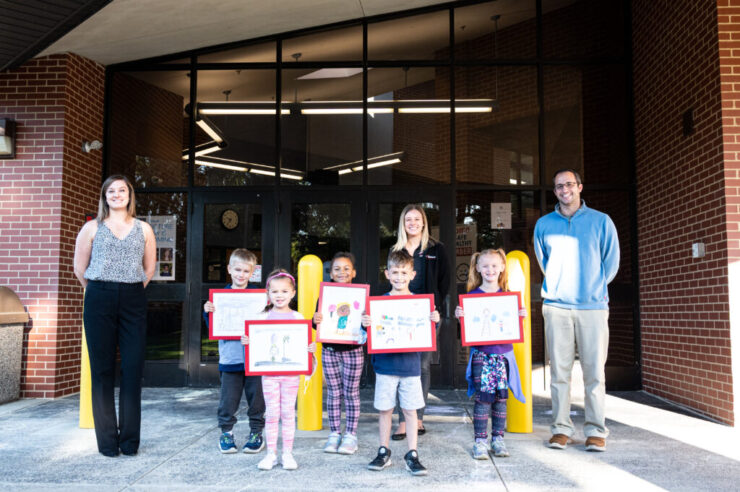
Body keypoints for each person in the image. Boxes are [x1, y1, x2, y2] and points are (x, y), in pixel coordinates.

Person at [533, 169, 620, 452]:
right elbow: (544, 262)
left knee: (595, 373)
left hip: (592, 307)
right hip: (557, 307)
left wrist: (592, 287)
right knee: (559, 373)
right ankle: (561, 429)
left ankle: (595, 431)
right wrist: (560, 286)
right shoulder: (544, 224)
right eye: (559, 186)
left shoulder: (601, 221)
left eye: (569, 184)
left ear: (580, 187)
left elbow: (611, 262)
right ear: (555, 191)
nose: (564, 190)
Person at [73, 175, 157, 457]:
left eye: (122, 190)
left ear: (130, 195)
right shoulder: (92, 228)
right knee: (102, 370)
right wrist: (101, 290)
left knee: (133, 369)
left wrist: (128, 289)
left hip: (133, 297)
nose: (117, 194)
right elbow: (79, 269)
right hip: (99, 297)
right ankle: (108, 442)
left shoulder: (144, 228)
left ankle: (130, 441)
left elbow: (149, 269)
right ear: (104, 196)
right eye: (111, 191)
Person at [362, 250, 440, 476]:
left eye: (404, 272)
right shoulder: (379, 304)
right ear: (387, 274)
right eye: (395, 272)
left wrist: (433, 321)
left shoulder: (419, 305)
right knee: (385, 410)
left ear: (413, 274)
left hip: (410, 368)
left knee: (411, 412)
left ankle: (412, 454)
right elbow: (369, 334)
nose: (399, 276)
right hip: (385, 367)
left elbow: (427, 333)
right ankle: (384, 451)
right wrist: (366, 323)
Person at [454, 249, 526, 459]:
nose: (490, 270)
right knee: (483, 399)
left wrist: (519, 315)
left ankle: (498, 439)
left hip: (503, 355)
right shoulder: (471, 297)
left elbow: (512, 327)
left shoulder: (509, 297)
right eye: (485, 266)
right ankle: (480, 442)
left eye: (494, 265)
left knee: (501, 400)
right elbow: (468, 331)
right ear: (477, 268)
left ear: (502, 267)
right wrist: (461, 317)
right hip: (482, 356)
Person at [241, 269, 316, 471]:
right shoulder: (262, 317)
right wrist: (248, 341)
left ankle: (287, 454)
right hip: (270, 375)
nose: (279, 295)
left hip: (291, 375)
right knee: (272, 413)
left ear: (293, 293)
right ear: (268, 293)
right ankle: (271, 454)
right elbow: (256, 343)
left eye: (284, 291)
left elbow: (305, 345)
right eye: (275, 292)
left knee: (288, 413)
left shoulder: (298, 317)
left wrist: (309, 349)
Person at [389, 204, 450, 440]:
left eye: (417, 219)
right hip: (400, 315)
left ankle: (419, 418)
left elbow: (444, 282)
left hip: (427, 315)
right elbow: (392, 277)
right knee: (400, 367)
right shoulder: (396, 249)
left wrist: (435, 307)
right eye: (408, 220)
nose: (413, 223)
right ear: (403, 224)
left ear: (424, 222)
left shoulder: (436, 248)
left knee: (421, 367)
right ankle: (403, 420)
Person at [202, 249, 266, 455]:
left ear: (252, 272)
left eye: (246, 271)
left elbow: (267, 325)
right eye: (237, 269)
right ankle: (227, 433)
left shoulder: (259, 297)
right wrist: (208, 312)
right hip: (231, 358)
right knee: (228, 399)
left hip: (255, 358)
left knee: (257, 399)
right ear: (229, 269)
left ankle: (256, 433)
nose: (241, 274)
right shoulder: (220, 298)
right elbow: (212, 327)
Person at [311, 252, 364, 455]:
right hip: (330, 350)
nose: (342, 272)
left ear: (354, 272)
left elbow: (367, 327)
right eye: (337, 269)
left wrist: (367, 324)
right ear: (331, 274)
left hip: (353, 350)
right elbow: (317, 325)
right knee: (333, 393)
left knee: (351, 393)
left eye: (346, 268)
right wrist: (314, 320)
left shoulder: (360, 295)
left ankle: (351, 434)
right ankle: (334, 434)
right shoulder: (325, 297)